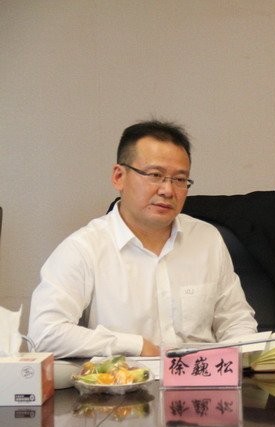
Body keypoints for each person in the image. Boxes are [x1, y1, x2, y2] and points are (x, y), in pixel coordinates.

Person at [28, 120, 258, 358]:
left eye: (180, 179)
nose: (168, 190)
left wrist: (247, 359)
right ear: (119, 177)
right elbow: (44, 333)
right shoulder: (84, 248)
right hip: (124, 380)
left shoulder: (206, 239)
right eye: (155, 175)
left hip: (201, 378)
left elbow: (236, 322)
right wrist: (134, 345)